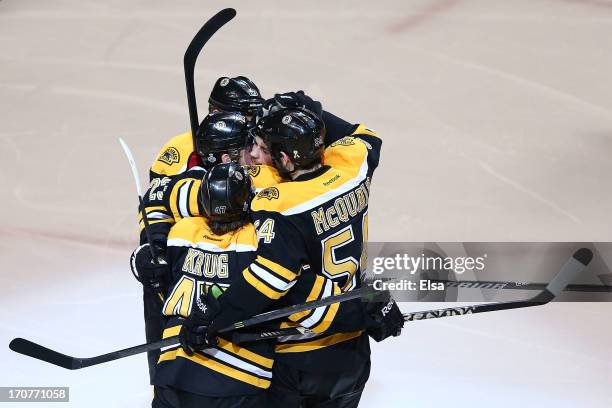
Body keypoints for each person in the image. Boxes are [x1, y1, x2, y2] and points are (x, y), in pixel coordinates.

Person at [179, 108, 404, 407]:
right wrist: (309, 107)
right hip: (353, 352)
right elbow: (365, 135)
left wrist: (213, 317)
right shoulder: (353, 167)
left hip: (299, 356)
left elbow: (270, 280)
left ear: (285, 159)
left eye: (265, 149)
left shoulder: (279, 203)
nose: (257, 155)